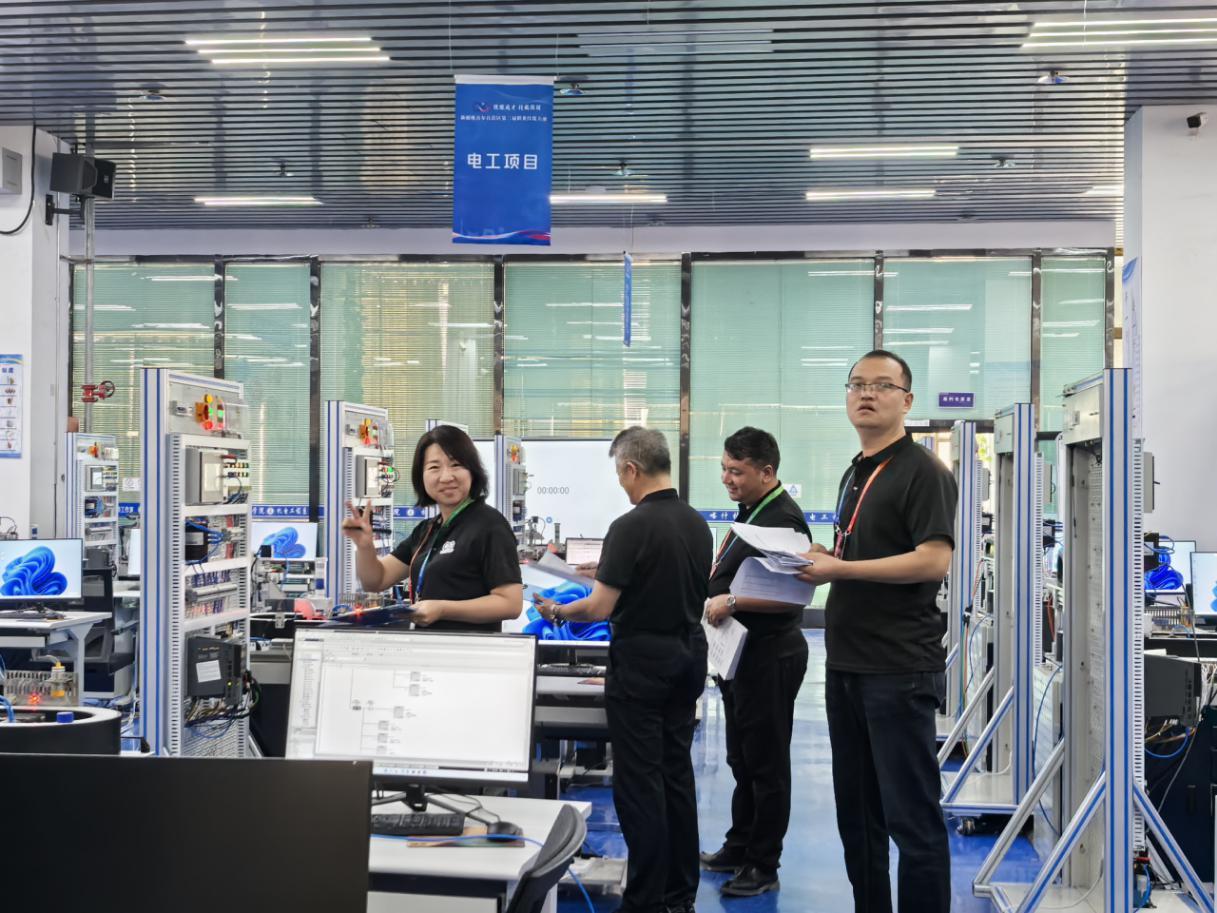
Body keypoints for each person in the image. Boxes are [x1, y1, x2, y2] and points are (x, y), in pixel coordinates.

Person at [795, 350, 957, 913]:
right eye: (857, 384)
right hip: (847, 663)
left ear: (906, 401)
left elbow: (933, 560)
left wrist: (840, 571)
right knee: (858, 817)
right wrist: (828, 555)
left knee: (911, 820)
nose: (866, 394)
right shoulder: (855, 471)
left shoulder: (924, 472)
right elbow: (860, 550)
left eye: (882, 386)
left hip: (898, 668)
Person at [535, 427, 711, 913]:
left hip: (642, 663)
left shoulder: (630, 526)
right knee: (676, 775)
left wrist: (557, 611)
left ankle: (644, 900)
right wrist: (607, 572)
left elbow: (598, 609)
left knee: (640, 784)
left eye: (619, 474)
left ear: (632, 469)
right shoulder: (696, 523)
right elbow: (663, 575)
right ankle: (680, 894)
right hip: (687, 655)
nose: (620, 483)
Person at [699, 427, 810, 897]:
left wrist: (732, 601)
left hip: (770, 655)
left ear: (766, 472)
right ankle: (739, 845)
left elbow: (795, 594)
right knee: (742, 759)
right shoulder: (752, 512)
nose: (727, 478)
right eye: (724, 469)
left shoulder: (784, 520)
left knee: (766, 765)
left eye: (737, 471)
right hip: (740, 656)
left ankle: (763, 864)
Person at [342, 423, 522, 631]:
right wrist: (365, 546)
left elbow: (510, 603)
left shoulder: (490, 525)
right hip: (427, 646)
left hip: (471, 648)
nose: (446, 477)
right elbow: (376, 580)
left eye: (456, 465)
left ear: (472, 471)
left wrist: (443, 609)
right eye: (434, 467)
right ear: (421, 476)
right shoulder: (428, 530)